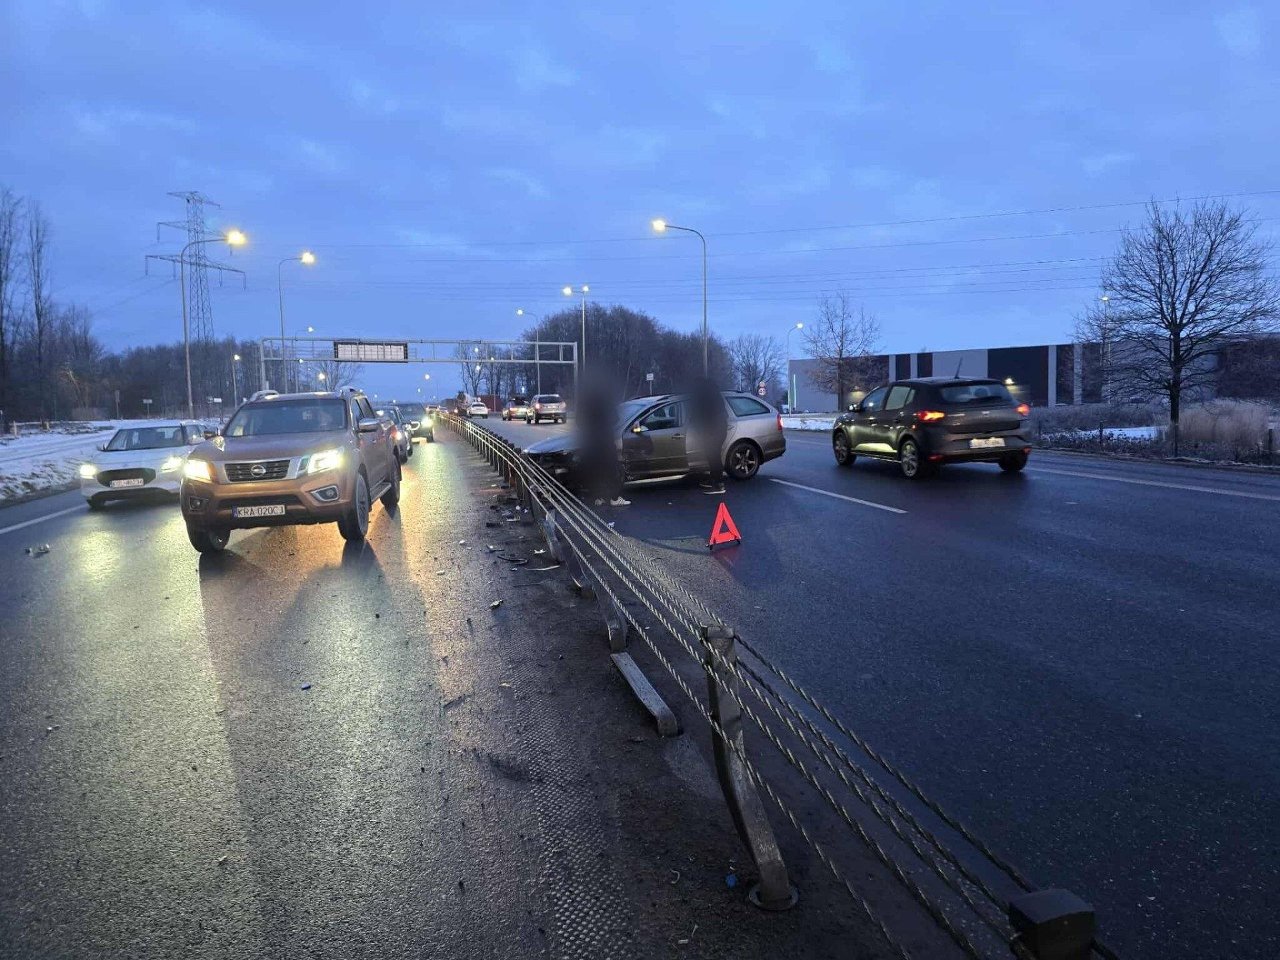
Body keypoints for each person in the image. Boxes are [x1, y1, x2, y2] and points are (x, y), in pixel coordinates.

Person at [575, 377, 630, 508]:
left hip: (591, 441)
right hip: (605, 439)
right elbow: (615, 419)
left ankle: (599, 497)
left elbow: (579, 422)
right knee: (611, 468)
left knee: (595, 469)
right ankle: (614, 497)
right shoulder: (606, 401)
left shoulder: (584, 402)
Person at [688, 375, 727, 494]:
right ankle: (714, 479)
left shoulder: (703, 397)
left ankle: (718, 484)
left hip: (713, 429)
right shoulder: (715, 395)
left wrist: (695, 424)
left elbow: (698, 413)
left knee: (713, 456)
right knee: (713, 456)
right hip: (719, 428)